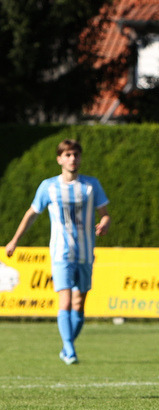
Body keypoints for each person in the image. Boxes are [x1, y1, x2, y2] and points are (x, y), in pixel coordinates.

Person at [5, 139, 111, 364]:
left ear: (80, 158)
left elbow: (105, 214)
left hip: (86, 252)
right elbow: (31, 214)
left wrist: (104, 223)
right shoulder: (49, 186)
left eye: (76, 155)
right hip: (61, 252)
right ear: (59, 159)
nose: (73, 159)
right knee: (65, 301)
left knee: (79, 304)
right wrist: (14, 241)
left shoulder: (91, 185)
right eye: (68, 155)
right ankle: (70, 350)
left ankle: (67, 345)